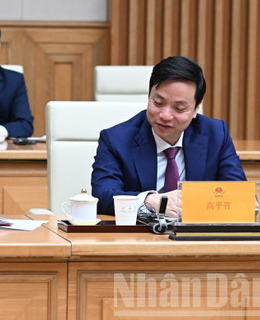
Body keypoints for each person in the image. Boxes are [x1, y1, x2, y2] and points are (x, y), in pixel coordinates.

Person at [91, 56, 246, 217]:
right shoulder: (116, 139)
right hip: (140, 236)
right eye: (158, 103)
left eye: (179, 109)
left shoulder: (216, 134)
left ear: (195, 110)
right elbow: (102, 196)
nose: (165, 115)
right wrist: (149, 201)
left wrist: (242, 200)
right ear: (149, 96)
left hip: (196, 236)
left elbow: (238, 193)